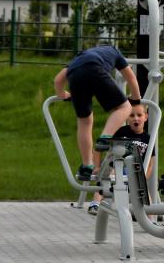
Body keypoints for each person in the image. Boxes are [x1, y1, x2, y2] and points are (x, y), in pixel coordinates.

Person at [53, 45, 141, 182]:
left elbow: (58, 80)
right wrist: (135, 97)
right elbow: (131, 77)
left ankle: (87, 165)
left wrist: (63, 94)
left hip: (75, 77)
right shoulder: (115, 52)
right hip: (95, 69)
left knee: (84, 121)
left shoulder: (77, 59)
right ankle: (105, 137)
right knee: (124, 108)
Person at [87, 102, 156, 215]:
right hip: (118, 166)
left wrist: (144, 177)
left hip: (136, 170)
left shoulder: (148, 139)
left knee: (143, 190)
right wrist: (97, 166)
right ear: (127, 117)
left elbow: (150, 164)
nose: (136, 119)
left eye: (139, 115)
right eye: (132, 115)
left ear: (146, 117)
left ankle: (150, 218)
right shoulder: (121, 132)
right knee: (108, 179)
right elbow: (99, 147)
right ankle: (96, 203)